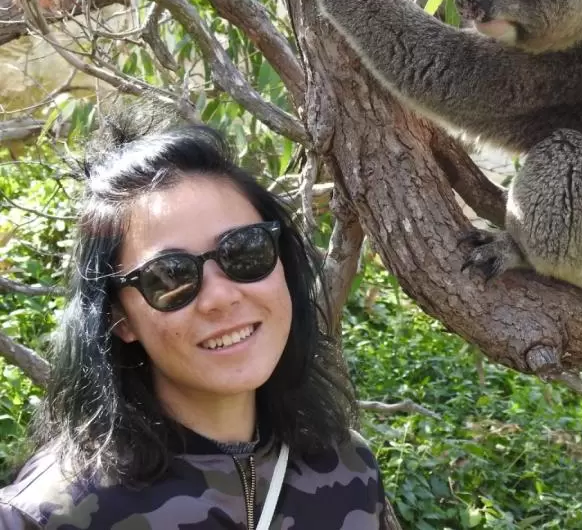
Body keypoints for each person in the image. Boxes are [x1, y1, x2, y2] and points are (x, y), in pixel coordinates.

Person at [0, 116, 389, 528]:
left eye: (245, 251)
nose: (221, 297)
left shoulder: (348, 468)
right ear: (119, 318)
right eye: (170, 275)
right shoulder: (48, 514)